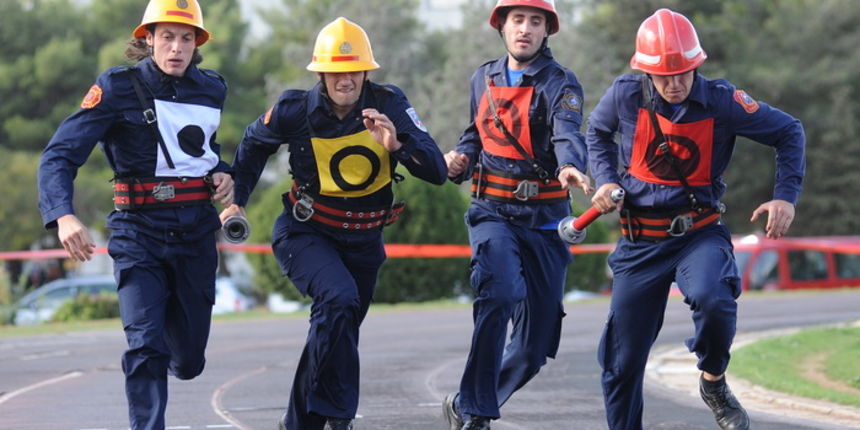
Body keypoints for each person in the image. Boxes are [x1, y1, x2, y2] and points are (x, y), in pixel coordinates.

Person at [218, 16, 447, 430]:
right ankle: (339, 419)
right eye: (337, 71)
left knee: (337, 332)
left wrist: (396, 144)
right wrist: (238, 201)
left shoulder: (390, 103)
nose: (346, 79)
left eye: (354, 69)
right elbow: (252, 147)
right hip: (306, 232)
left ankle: (298, 424)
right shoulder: (294, 109)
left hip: (364, 240)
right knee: (338, 302)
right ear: (321, 72)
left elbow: (436, 169)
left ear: (366, 70)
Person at [586, 8, 805, 430]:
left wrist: (785, 197)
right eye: (664, 75)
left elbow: (789, 131)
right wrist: (606, 179)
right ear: (645, 71)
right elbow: (596, 132)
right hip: (639, 241)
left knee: (714, 298)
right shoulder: (625, 95)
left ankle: (713, 380)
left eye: (684, 72)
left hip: (698, 234)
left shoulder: (722, 101)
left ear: (697, 63)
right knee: (621, 362)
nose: (675, 83)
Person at [36, 0, 234, 428]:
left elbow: (203, 152)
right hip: (137, 233)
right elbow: (59, 155)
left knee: (188, 361)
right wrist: (63, 215)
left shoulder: (212, 88)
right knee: (144, 345)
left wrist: (223, 173)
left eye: (186, 38)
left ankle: (168, 352)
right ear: (148, 39)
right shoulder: (115, 87)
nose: (176, 48)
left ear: (197, 44)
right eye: (166, 37)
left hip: (196, 233)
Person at [442, 1, 591, 429]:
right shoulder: (481, 78)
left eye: (535, 21)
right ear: (502, 27)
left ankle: (466, 402)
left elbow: (567, 132)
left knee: (532, 348)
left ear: (547, 31)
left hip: (546, 221)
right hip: (492, 213)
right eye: (518, 21)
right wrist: (461, 159)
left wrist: (569, 166)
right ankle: (475, 412)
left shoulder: (562, 83)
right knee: (500, 294)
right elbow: (474, 136)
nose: (525, 29)